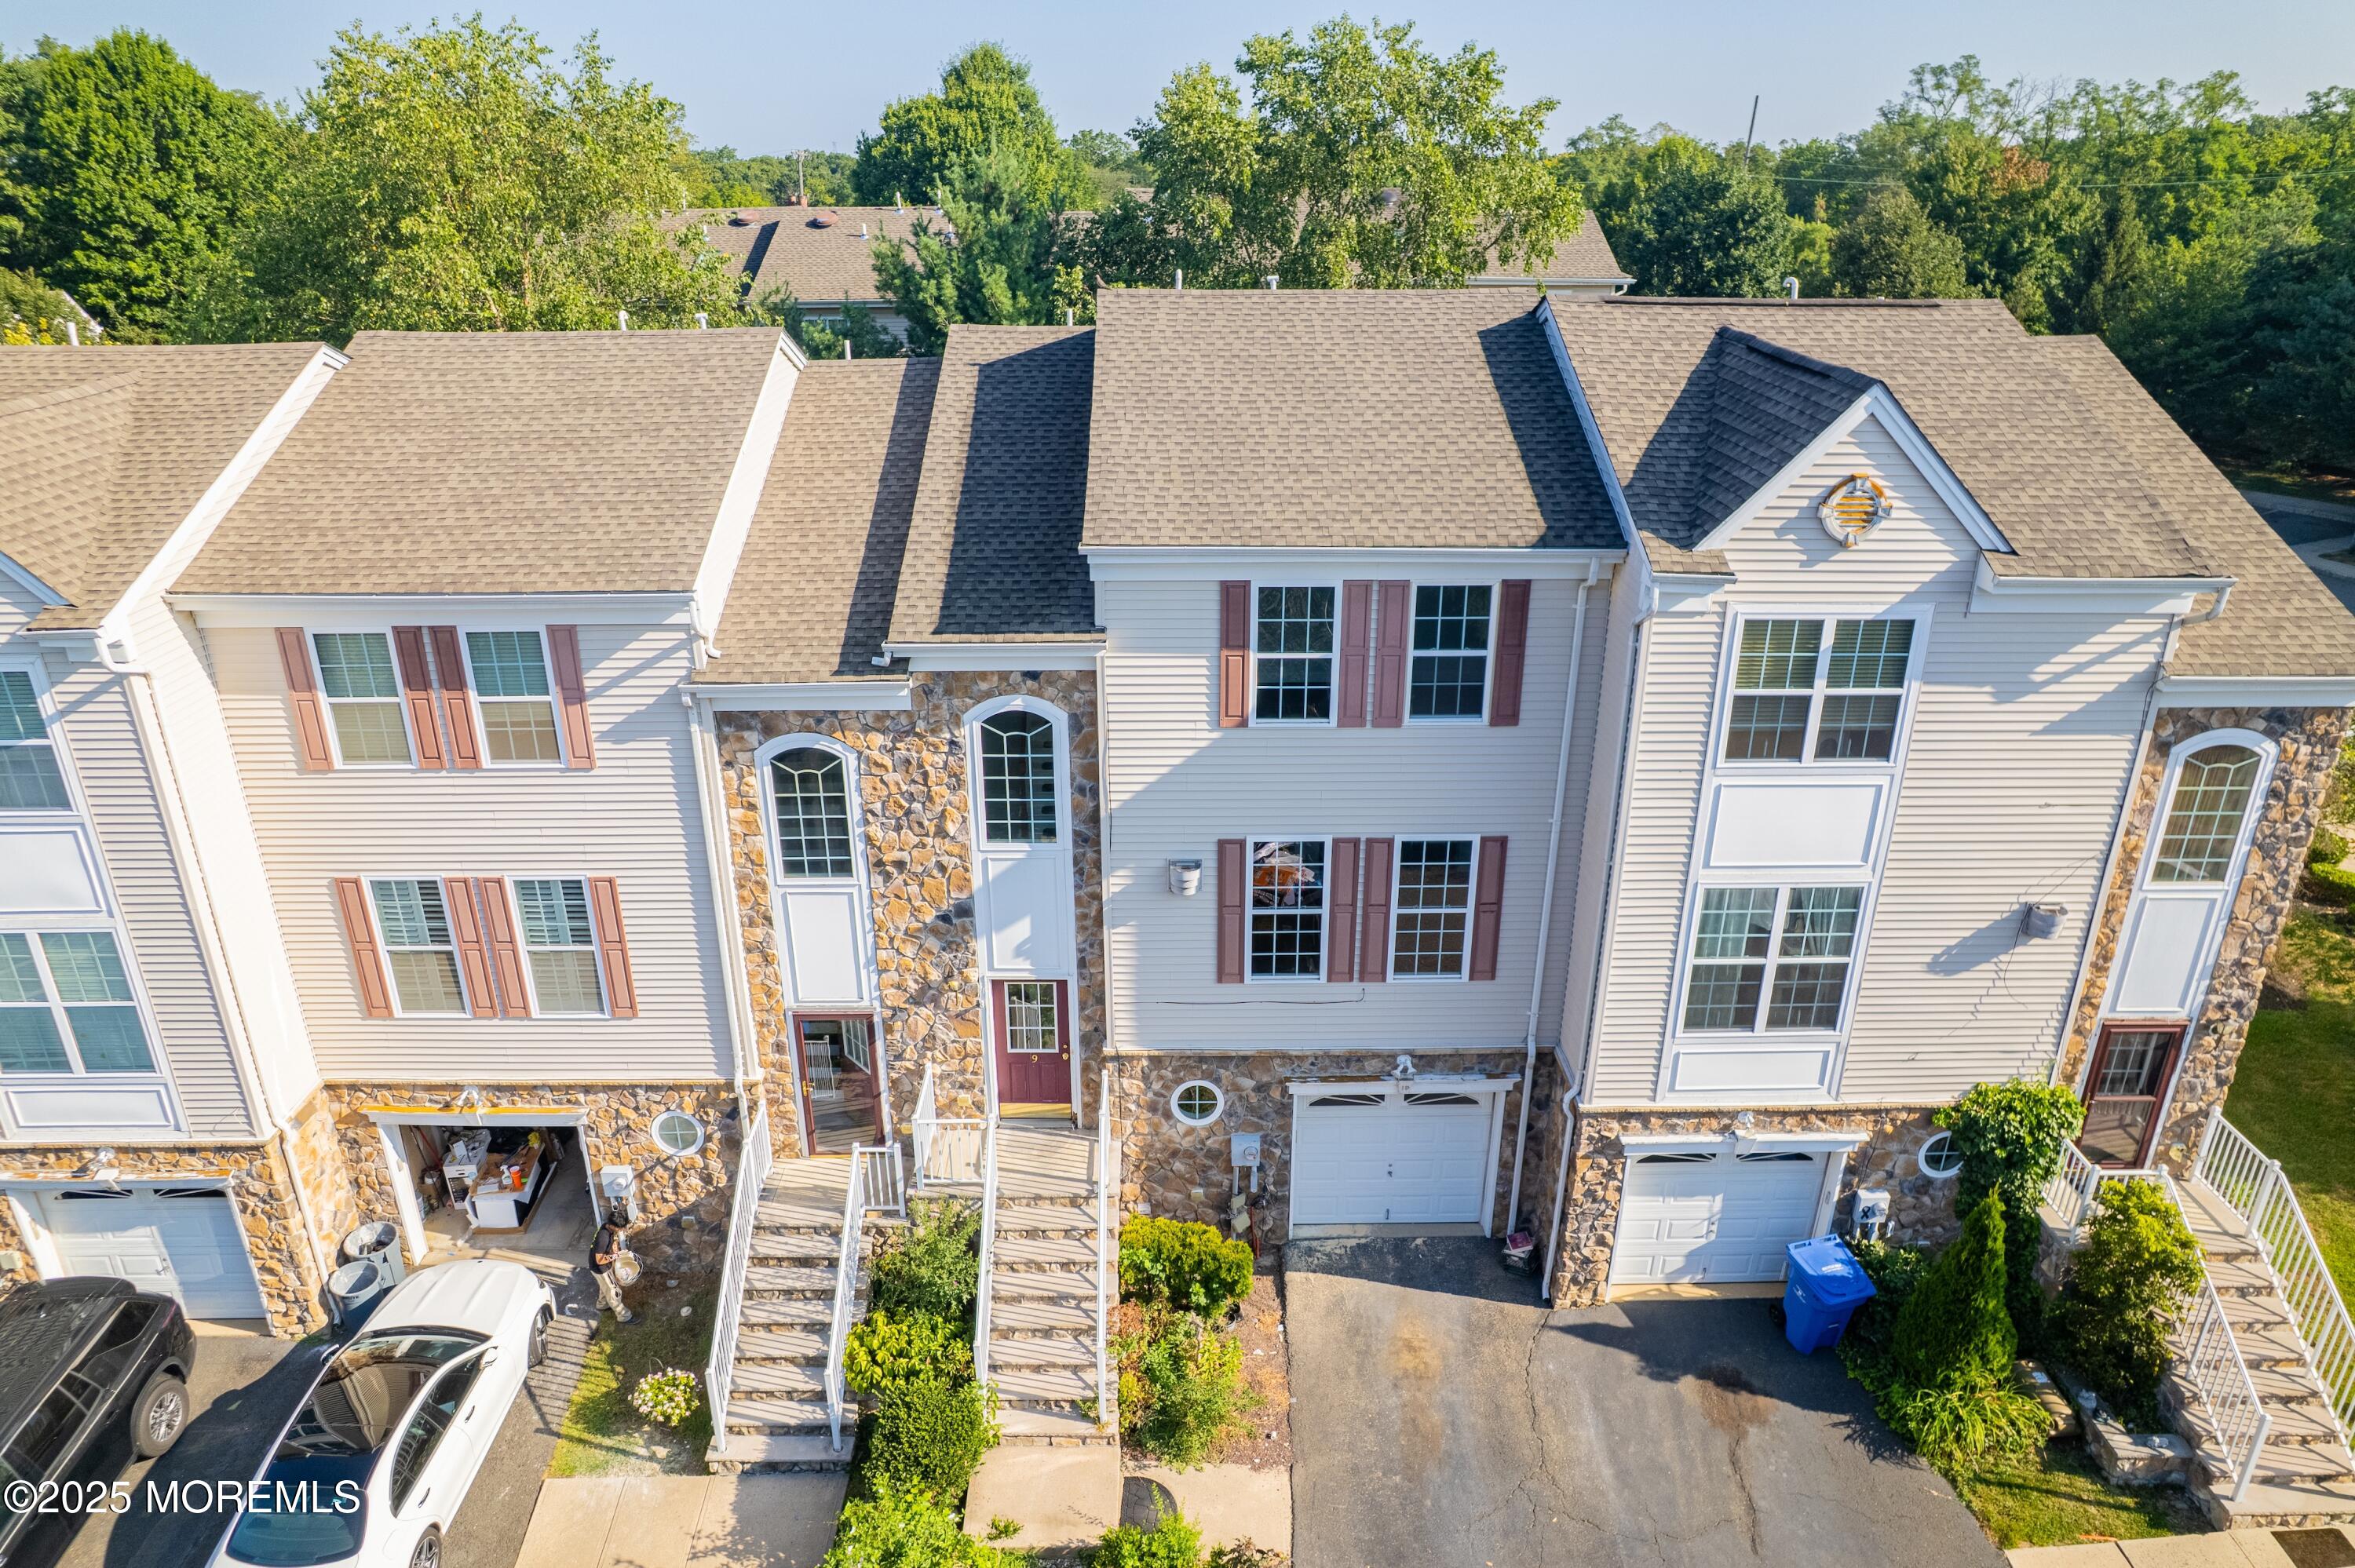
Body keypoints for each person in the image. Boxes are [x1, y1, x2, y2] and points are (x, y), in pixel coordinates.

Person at [590, 1216, 633, 1322]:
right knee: (614, 1291)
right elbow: (600, 1260)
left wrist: (616, 1251)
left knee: (605, 1286)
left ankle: (602, 1304)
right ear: (613, 1226)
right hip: (600, 1268)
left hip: (599, 1266)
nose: (622, 1230)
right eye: (621, 1228)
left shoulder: (607, 1226)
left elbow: (613, 1241)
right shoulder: (603, 1238)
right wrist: (616, 1256)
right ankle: (624, 1316)